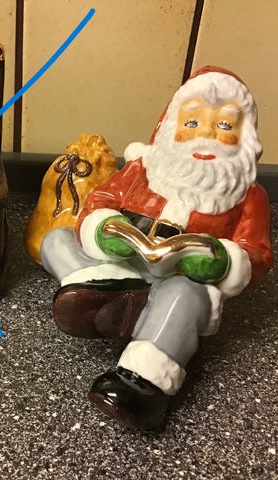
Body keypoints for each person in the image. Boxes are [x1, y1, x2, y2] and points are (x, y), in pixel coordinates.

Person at [40, 66, 273, 429]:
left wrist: (222, 261)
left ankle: (141, 383)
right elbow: (102, 199)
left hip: (178, 278)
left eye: (225, 125)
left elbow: (255, 251)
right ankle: (107, 287)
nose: (206, 135)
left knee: (184, 295)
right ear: (170, 124)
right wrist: (104, 228)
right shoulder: (143, 168)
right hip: (125, 261)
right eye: (192, 122)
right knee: (56, 240)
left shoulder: (248, 196)